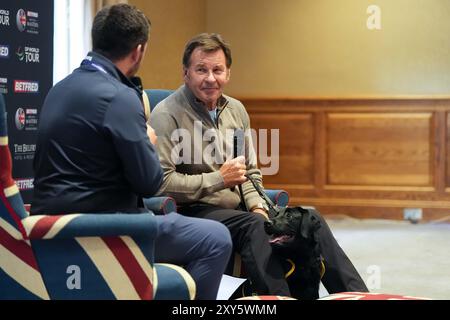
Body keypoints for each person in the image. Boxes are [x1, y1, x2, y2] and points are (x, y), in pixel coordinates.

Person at [31, 5, 232, 300]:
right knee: (215, 237)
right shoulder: (120, 98)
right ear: (138, 51)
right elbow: (150, 183)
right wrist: (148, 141)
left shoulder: (59, 88)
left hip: (51, 228)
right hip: (106, 228)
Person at [150, 33, 369, 297]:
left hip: (239, 209)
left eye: (217, 70)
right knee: (252, 226)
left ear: (227, 73)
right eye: (201, 70)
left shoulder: (236, 110)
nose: (210, 78)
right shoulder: (166, 114)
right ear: (186, 73)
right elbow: (162, 184)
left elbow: (250, 172)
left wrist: (258, 206)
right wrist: (219, 179)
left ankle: (358, 296)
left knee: (310, 219)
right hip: (195, 212)